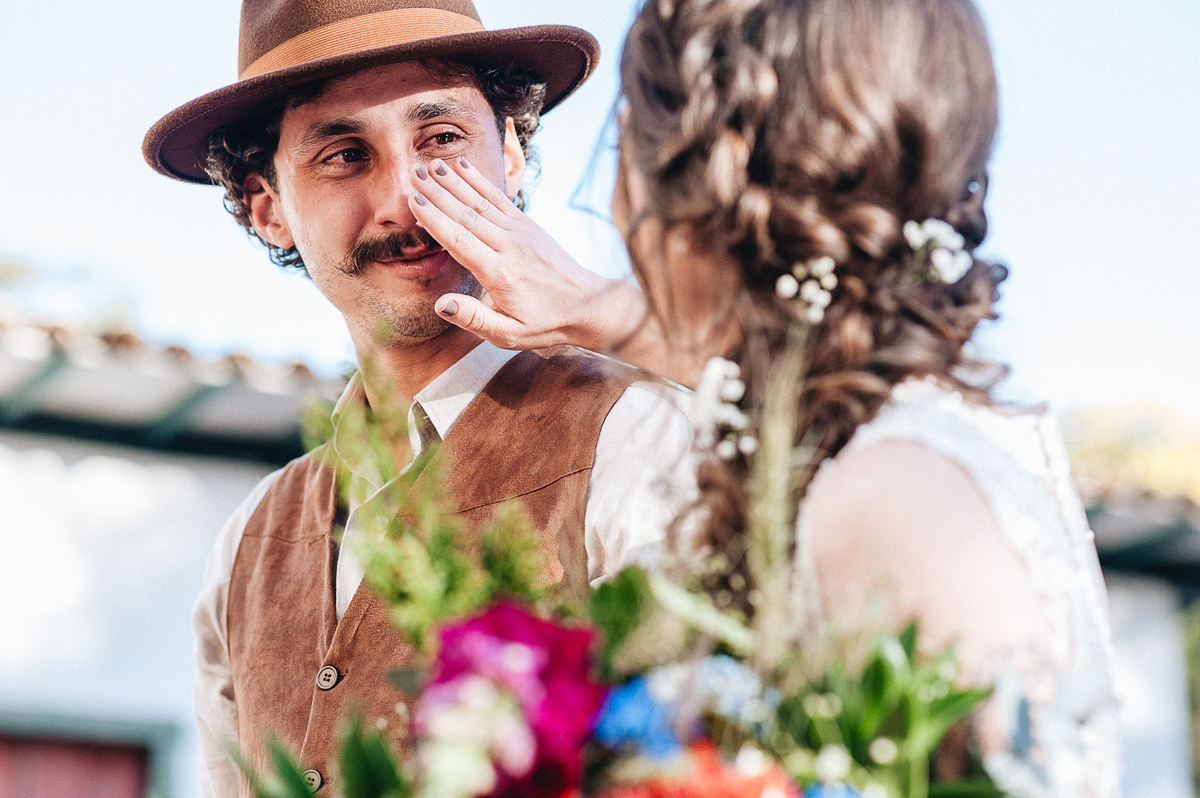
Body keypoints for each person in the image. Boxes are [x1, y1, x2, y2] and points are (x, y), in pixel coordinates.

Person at [408, 0, 1121, 794]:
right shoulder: (865, 440)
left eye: (622, 141)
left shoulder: (894, 492)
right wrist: (604, 312)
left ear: (701, 172)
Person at [143, 2, 700, 795]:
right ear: (269, 208)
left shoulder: (637, 435)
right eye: (342, 154)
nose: (404, 199)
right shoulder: (247, 546)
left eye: (441, 140)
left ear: (509, 154)